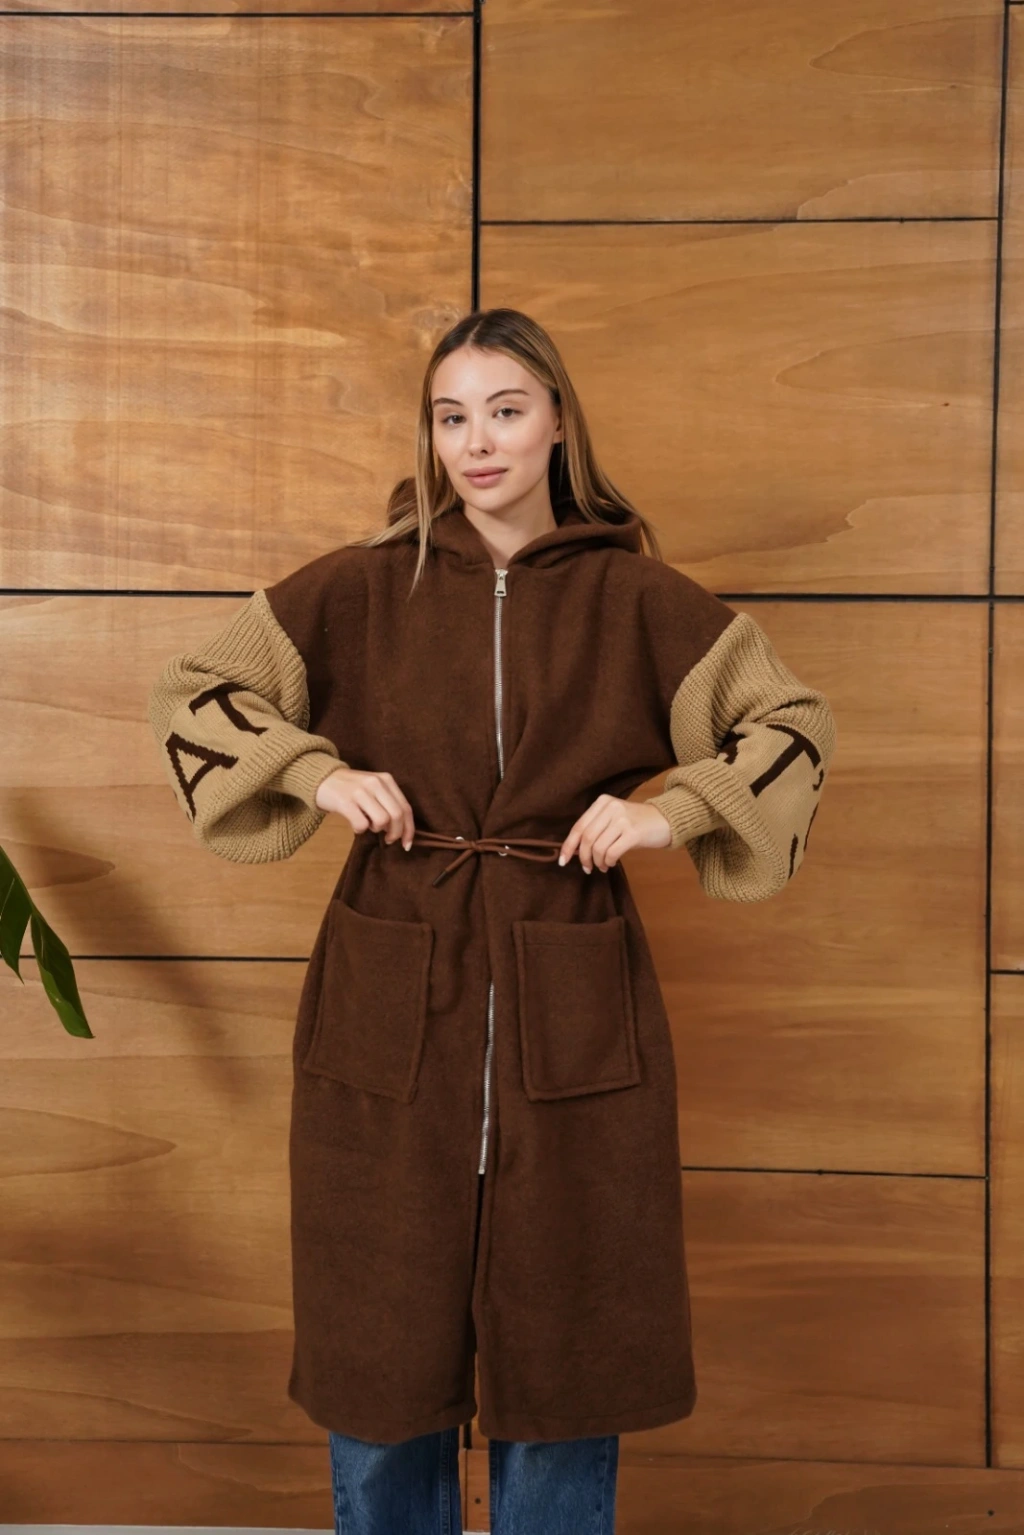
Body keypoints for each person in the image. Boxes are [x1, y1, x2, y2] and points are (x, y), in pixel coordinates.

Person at [148, 307, 836, 1535]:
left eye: (505, 411)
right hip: (387, 976)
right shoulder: (364, 586)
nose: (476, 442)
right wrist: (316, 774)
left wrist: (668, 812)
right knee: (378, 1341)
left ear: (558, 421)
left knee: (570, 1343)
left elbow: (788, 724)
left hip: (572, 988)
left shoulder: (635, 598)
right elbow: (200, 692)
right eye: (450, 416)